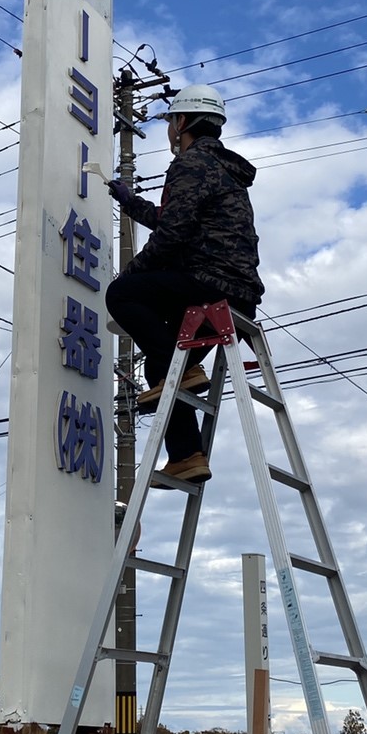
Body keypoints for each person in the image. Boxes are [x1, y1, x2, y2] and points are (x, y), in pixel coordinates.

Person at [104, 84, 264, 483]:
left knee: (121, 295)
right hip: (238, 293)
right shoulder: (224, 170)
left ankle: (185, 382)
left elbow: (172, 236)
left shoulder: (192, 164)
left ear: (181, 122)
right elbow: (176, 221)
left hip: (209, 283)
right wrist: (129, 202)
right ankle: (188, 456)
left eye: (171, 122)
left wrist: (132, 272)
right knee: (164, 364)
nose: (170, 130)